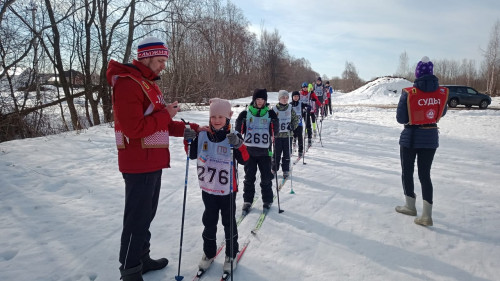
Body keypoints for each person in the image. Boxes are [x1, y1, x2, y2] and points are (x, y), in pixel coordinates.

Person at [107, 36, 202, 281]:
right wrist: (167, 113)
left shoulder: (148, 83)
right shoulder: (128, 83)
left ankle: (142, 259)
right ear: (146, 57)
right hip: (138, 162)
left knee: (146, 215)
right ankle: (129, 271)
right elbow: (134, 129)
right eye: (160, 60)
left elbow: (161, 123)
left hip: (152, 160)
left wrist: (191, 128)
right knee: (136, 219)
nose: (163, 66)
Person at [186, 98, 249, 274]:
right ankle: (209, 252)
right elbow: (191, 154)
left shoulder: (234, 136)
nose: (216, 120)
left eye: (221, 116)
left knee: (228, 222)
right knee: (209, 221)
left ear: (228, 116)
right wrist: (189, 139)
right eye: (213, 116)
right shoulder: (203, 134)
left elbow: (245, 160)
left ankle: (231, 253)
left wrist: (238, 145)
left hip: (228, 189)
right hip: (208, 187)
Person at [395, 56, 448, 227]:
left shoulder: (409, 93)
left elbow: (400, 118)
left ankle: (410, 206)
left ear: (417, 74)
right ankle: (427, 215)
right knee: (425, 175)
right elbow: (442, 112)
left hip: (410, 138)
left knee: (407, 171)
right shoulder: (441, 93)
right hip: (431, 137)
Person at [235, 89, 279, 213]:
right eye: (258, 99)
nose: (260, 102)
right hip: (249, 152)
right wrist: (240, 122)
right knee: (249, 178)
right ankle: (247, 200)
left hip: (265, 152)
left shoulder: (270, 113)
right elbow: (238, 132)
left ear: (265, 101)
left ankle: (267, 200)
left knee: (266, 178)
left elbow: (276, 132)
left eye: (262, 100)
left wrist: (275, 122)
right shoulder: (245, 114)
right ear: (254, 100)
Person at [272, 90, 299, 178]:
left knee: (287, 153)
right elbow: (269, 121)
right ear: (279, 98)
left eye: (287, 98)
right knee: (276, 153)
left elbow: (296, 119)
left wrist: (292, 126)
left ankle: (286, 170)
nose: (285, 99)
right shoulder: (274, 109)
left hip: (288, 135)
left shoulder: (290, 108)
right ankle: (274, 168)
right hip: (277, 136)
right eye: (283, 98)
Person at [299, 82, 321, 148]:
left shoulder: (310, 93)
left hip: (307, 111)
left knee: (308, 124)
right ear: (302, 87)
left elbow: (316, 99)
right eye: (304, 87)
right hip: (300, 111)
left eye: (306, 87)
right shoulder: (299, 93)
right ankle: (297, 137)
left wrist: (320, 104)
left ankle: (309, 138)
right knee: (298, 125)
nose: (305, 88)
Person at [290, 91, 304, 157]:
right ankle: (292, 146)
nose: (296, 98)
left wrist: (308, 107)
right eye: (294, 96)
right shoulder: (290, 105)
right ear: (292, 97)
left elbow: (307, 105)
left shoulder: (301, 104)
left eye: (297, 96)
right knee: (292, 135)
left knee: (300, 137)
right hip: (292, 124)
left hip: (299, 124)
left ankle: (300, 150)